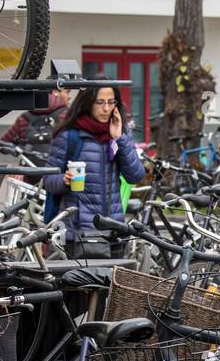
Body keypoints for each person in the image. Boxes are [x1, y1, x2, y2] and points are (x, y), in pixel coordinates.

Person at [42, 84, 146, 257]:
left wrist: (119, 138)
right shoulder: (70, 135)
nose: (106, 108)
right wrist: (64, 181)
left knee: (109, 283)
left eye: (111, 102)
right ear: (88, 103)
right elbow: (48, 179)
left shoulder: (120, 134)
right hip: (75, 234)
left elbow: (135, 175)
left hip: (112, 231)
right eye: (100, 102)